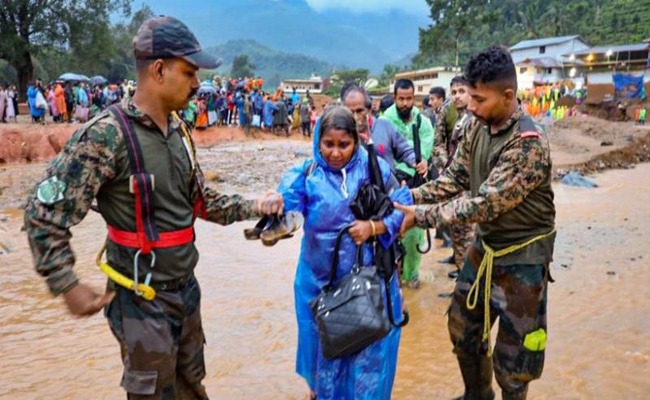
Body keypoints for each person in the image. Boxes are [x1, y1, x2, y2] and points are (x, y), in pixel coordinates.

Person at [24, 16, 267, 399]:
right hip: (141, 301)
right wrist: (66, 283)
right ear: (158, 70)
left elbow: (201, 201)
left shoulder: (180, 131)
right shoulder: (107, 135)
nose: (196, 84)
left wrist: (257, 205)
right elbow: (42, 212)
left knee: (191, 387)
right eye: (189, 72)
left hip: (186, 293)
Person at [395, 46, 556, 400]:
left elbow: (482, 205)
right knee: (462, 328)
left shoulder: (528, 144)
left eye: (479, 99)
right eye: (470, 96)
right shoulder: (473, 126)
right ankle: (477, 395)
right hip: (484, 251)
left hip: (523, 263)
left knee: (515, 364)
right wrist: (407, 198)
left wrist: (417, 217)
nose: (470, 106)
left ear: (508, 96)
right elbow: (454, 179)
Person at [259, 106, 410, 400]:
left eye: (344, 145)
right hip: (319, 286)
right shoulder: (306, 174)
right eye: (329, 144)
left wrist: (374, 227)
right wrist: (273, 212)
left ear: (355, 141)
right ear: (318, 142)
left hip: (369, 284)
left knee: (368, 363)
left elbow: (403, 210)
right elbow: (286, 214)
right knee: (325, 355)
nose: (336, 153)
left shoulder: (375, 169)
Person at [381, 78, 434, 289]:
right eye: (401, 99)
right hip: (390, 185)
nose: (405, 103)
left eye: (409, 99)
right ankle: (392, 278)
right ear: (394, 98)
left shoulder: (424, 123)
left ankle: (411, 276)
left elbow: (424, 153)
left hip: (416, 184)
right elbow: (383, 152)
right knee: (389, 231)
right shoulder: (384, 122)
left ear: (414, 99)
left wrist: (417, 164)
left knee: (413, 233)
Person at [432, 75, 475, 277]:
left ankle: (466, 284)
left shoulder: (475, 121)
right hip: (453, 179)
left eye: (461, 92)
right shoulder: (457, 118)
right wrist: (445, 165)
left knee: (466, 235)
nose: (457, 97)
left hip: (468, 187)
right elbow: (439, 145)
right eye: (454, 92)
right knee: (458, 232)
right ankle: (461, 272)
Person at [342, 83, 424, 178]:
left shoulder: (385, 126)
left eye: (360, 111)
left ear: (369, 110)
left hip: (388, 187)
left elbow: (405, 151)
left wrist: (416, 161)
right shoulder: (341, 135)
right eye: (350, 112)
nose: (355, 117)